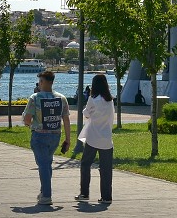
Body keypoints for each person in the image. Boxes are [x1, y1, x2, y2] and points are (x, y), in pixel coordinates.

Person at [22, 70, 71, 205]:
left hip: (39, 135)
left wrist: (31, 125)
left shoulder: (35, 98)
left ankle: (46, 196)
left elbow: (27, 119)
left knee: (43, 164)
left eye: (40, 81)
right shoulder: (62, 98)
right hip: (55, 135)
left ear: (42, 82)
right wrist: (68, 139)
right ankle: (44, 191)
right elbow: (66, 120)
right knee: (47, 163)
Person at [75, 73, 115, 205]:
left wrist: (88, 113)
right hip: (106, 138)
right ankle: (106, 196)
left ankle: (84, 193)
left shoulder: (93, 99)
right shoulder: (110, 100)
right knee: (106, 169)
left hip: (93, 137)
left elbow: (86, 113)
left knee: (86, 164)